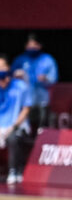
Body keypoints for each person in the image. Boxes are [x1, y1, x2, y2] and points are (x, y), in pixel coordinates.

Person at [12, 33, 58, 134]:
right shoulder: (20, 60)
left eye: (35, 44)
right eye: (29, 44)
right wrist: (15, 76)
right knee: (24, 131)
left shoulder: (48, 60)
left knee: (42, 131)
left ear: (40, 45)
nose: (32, 47)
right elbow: (9, 78)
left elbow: (53, 79)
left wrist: (46, 78)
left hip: (42, 102)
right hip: (23, 103)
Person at [0, 55, 32, 185]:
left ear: (8, 68)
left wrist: (13, 126)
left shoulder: (21, 86)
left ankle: (14, 171)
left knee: (13, 137)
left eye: (2, 67)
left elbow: (26, 109)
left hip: (18, 125)